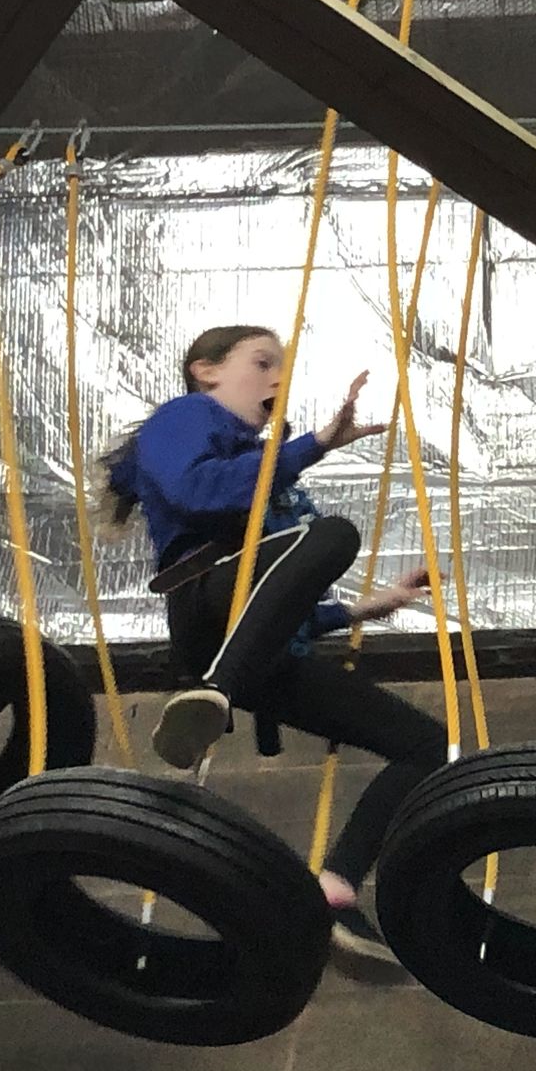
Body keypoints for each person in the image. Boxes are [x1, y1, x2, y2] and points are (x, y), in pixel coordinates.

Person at [103, 324, 446, 964]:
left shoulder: (266, 467)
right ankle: (213, 694)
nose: (277, 379)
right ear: (205, 370)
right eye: (262, 363)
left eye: (283, 369)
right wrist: (314, 443)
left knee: (428, 746)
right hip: (208, 606)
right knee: (332, 536)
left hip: (258, 656)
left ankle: (336, 887)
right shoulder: (185, 417)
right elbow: (194, 490)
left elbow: (281, 606)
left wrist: (372, 606)